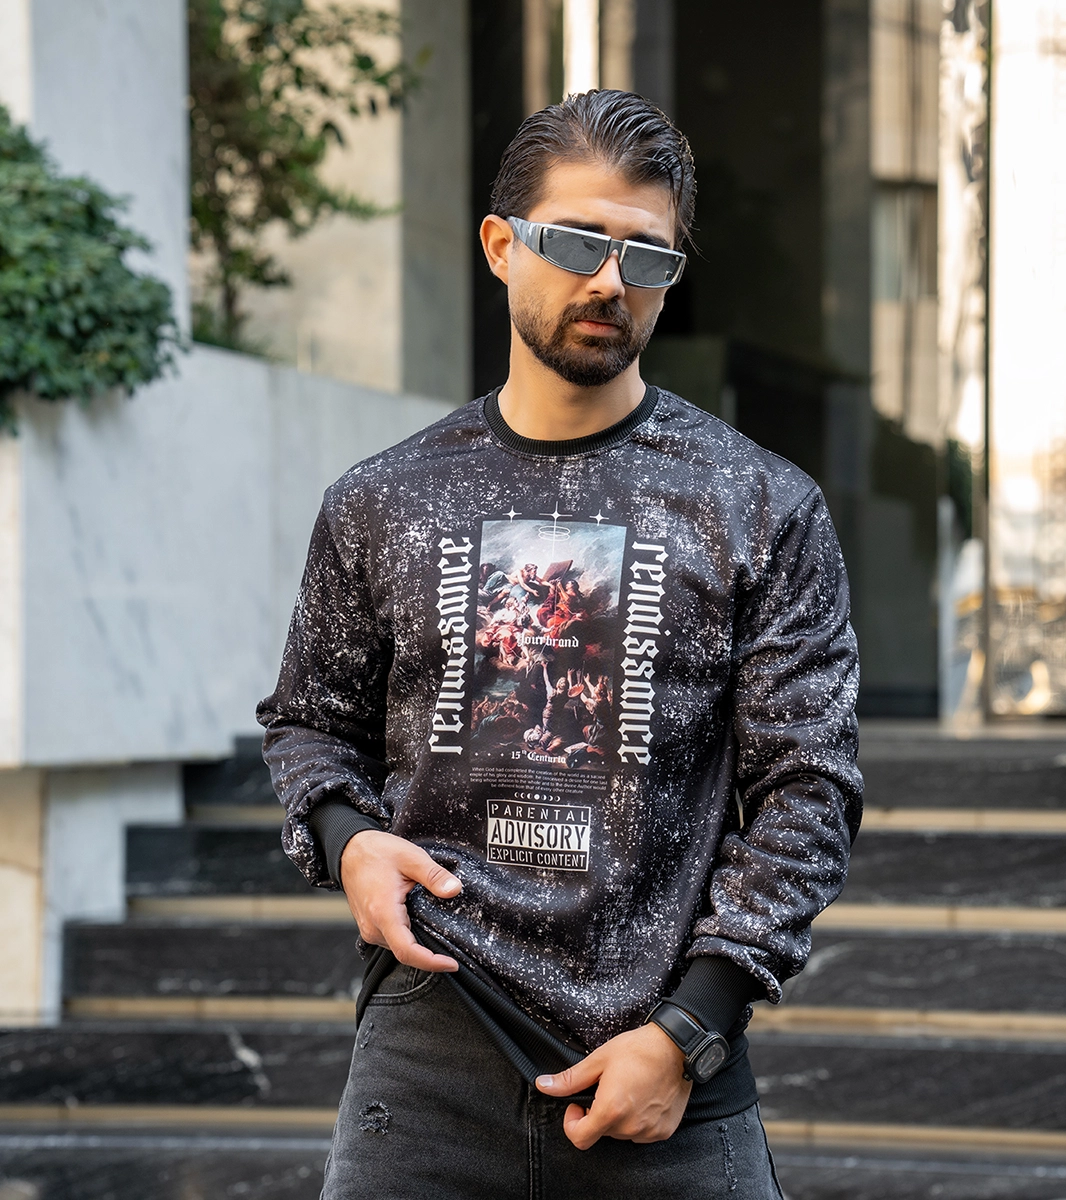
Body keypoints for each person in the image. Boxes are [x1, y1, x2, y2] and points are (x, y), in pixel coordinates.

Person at [258, 89, 861, 1200]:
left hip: (666, 1070)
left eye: (647, 256)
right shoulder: (382, 500)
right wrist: (350, 841)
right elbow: (308, 721)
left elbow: (808, 790)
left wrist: (691, 1030)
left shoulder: (760, 506)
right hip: (427, 1057)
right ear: (501, 244)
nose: (610, 282)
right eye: (578, 241)